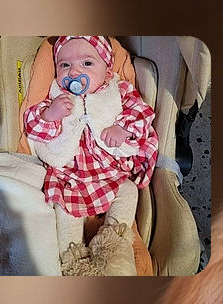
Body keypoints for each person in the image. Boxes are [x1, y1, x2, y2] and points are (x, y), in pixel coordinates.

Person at [23, 36, 158, 275]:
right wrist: (49, 116)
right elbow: (33, 127)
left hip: (110, 171)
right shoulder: (54, 97)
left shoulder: (118, 90)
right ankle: (73, 260)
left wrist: (122, 128)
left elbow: (142, 112)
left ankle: (115, 243)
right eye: (64, 65)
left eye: (87, 64)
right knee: (64, 210)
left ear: (107, 71)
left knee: (127, 190)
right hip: (69, 176)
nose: (74, 71)